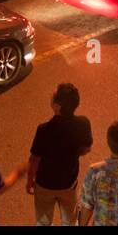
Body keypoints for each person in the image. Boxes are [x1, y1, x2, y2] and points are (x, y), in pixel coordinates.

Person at [27, 83, 94, 226]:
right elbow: (86, 148)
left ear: (57, 106)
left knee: (43, 221)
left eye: (53, 96)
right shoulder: (83, 124)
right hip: (68, 184)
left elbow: (35, 159)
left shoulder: (44, 129)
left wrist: (29, 180)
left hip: (44, 185)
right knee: (70, 220)